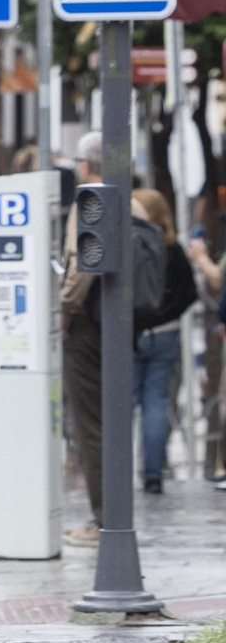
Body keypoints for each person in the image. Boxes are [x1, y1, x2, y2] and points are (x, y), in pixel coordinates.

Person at [60, 132, 152, 546]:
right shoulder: (131, 201)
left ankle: (104, 520)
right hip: (118, 323)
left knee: (91, 425)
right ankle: (113, 514)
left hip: (88, 325)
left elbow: (83, 266)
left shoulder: (90, 200)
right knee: (113, 421)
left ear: (84, 165)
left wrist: (62, 309)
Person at [130, 188, 197, 494]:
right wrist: (164, 315)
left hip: (131, 333)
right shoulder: (174, 250)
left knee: (124, 403)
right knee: (156, 402)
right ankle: (153, 474)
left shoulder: (131, 244)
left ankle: (116, 473)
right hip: (166, 334)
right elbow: (189, 294)